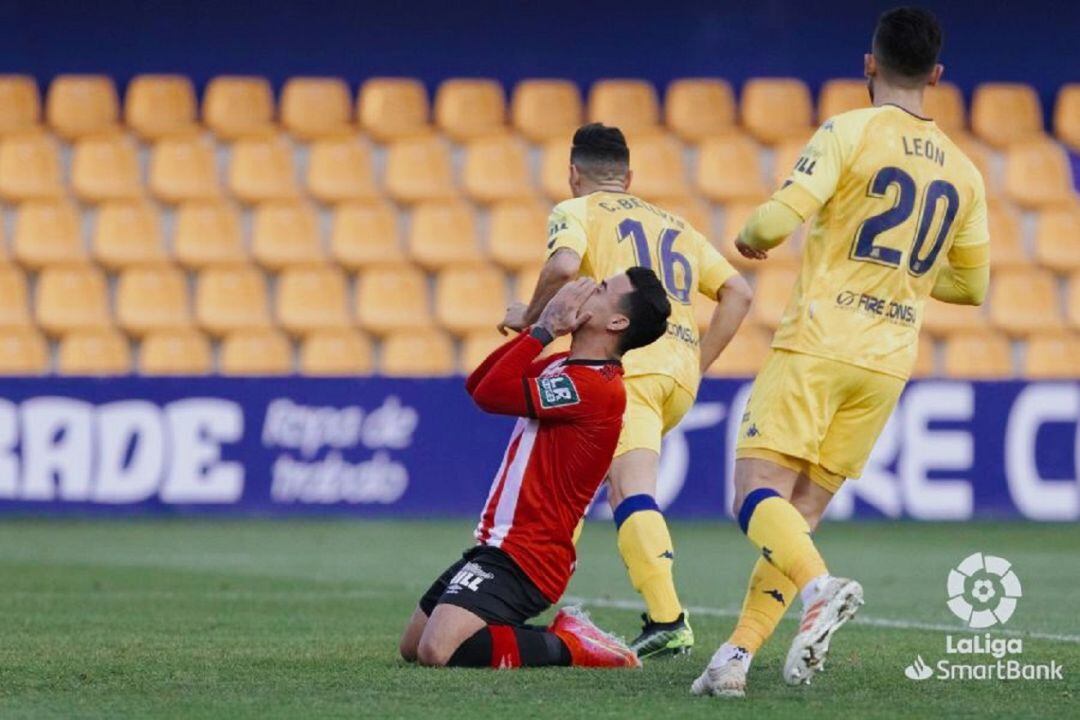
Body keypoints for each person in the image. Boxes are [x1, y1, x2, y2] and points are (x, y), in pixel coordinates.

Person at [692, 6, 990, 698]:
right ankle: (737, 656)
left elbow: (777, 216)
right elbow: (972, 286)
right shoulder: (966, 172)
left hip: (819, 345)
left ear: (869, 64)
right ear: (937, 76)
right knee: (797, 516)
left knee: (754, 494)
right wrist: (905, 278)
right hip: (886, 364)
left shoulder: (848, 132)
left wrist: (754, 236)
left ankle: (820, 589)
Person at [501, 123, 752, 658]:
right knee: (571, 483)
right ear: (629, 177)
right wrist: (696, 364)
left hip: (627, 372)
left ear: (573, 173)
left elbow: (565, 264)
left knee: (628, 487)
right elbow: (738, 290)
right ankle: (528, 594)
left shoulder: (578, 210)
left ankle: (668, 619)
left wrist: (529, 318)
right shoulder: (674, 223)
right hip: (675, 375)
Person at [399, 268, 672, 669]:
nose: (582, 289)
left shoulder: (595, 387)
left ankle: (572, 645)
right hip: (501, 546)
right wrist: (536, 328)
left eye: (599, 289)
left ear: (617, 322)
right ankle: (555, 638)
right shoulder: (564, 365)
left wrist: (543, 330)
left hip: (530, 556)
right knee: (414, 645)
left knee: (437, 651)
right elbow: (480, 384)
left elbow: (491, 395)